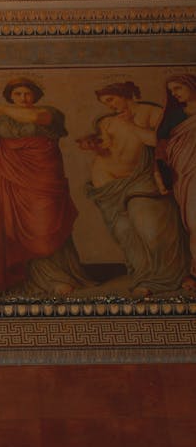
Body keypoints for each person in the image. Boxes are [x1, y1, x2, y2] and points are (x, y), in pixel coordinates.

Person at [0, 78, 87, 295]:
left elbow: (35, 117)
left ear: (35, 95)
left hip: (43, 179)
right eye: (17, 94)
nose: (23, 98)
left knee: (46, 229)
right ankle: (34, 281)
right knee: (14, 233)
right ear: (11, 96)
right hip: (6, 179)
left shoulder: (49, 112)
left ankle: (60, 275)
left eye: (27, 93)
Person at [77, 81, 187, 296]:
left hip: (143, 180)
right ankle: (144, 278)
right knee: (125, 233)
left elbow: (162, 142)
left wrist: (131, 126)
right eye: (104, 102)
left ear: (125, 94)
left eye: (110, 100)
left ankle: (168, 276)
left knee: (151, 230)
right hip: (108, 187)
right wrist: (93, 145)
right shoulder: (108, 121)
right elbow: (107, 148)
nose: (109, 106)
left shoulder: (152, 113)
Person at [156, 73, 196, 290]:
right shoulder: (174, 116)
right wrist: (162, 173)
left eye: (178, 88)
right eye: (172, 91)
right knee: (193, 222)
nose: (175, 94)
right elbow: (161, 146)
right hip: (186, 174)